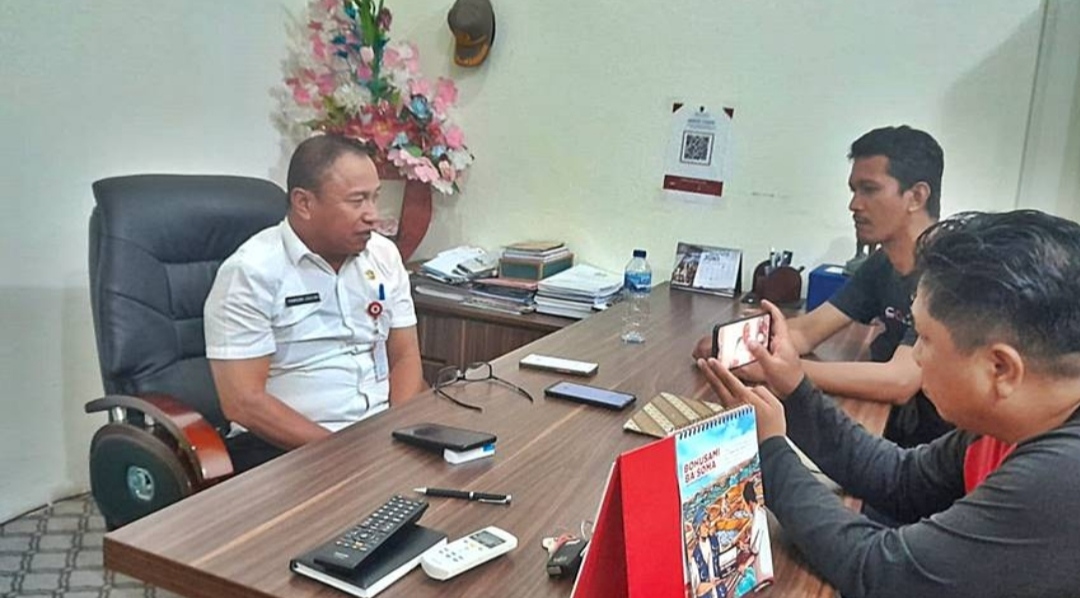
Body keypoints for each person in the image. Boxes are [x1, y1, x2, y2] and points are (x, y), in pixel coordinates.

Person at [699, 210, 1080, 597]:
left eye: (926, 339)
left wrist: (771, 453)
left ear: (1000, 369)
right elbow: (900, 479)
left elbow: (882, 573)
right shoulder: (1014, 422)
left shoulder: (1061, 477)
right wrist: (793, 388)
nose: (916, 357)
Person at [693, 125, 951, 447]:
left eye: (869, 190)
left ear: (917, 197)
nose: (854, 204)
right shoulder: (883, 263)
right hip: (893, 432)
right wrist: (738, 345)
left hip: (929, 450)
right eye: (854, 190)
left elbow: (899, 381)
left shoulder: (950, 273)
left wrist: (779, 371)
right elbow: (806, 331)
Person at [204, 134, 425, 472]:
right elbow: (243, 402)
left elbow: (405, 355)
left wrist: (400, 433)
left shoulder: (383, 254)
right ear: (304, 203)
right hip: (285, 447)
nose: (373, 215)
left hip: (379, 433)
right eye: (357, 201)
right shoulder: (250, 273)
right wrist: (346, 455)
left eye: (375, 198)